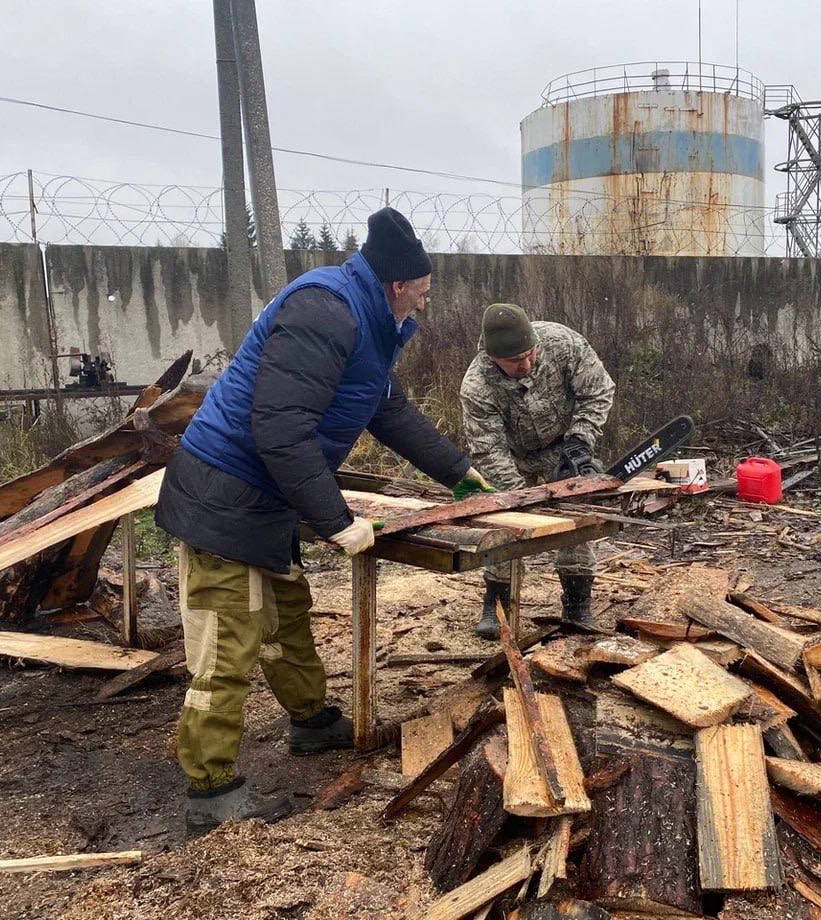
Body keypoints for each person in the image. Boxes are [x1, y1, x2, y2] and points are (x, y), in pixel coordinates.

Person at [156, 207, 493, 830]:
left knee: (286, 615)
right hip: (223, 499)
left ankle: (312, 722)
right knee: (229, 641)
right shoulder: (325, 311)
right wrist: (336, 521)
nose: (422, 306)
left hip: (265, 501)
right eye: (420, 294)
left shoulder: (366, 324)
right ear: (397, 286)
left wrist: (458, 472)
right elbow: (280, 427)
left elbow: (386, 409)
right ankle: (212, 790)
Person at [459, 303, 615, 639]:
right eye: (515, 361)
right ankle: (497, 601)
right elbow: (488, 449)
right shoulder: (477, 387)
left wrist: (580, 439)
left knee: (577, 518)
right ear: (493, 357)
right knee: (505, 522)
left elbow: (599, 390)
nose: (526, 365)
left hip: (565, 443)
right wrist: (523, 498)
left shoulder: (562, 343)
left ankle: (577, 602)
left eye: (530, 355)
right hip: (512, 456)